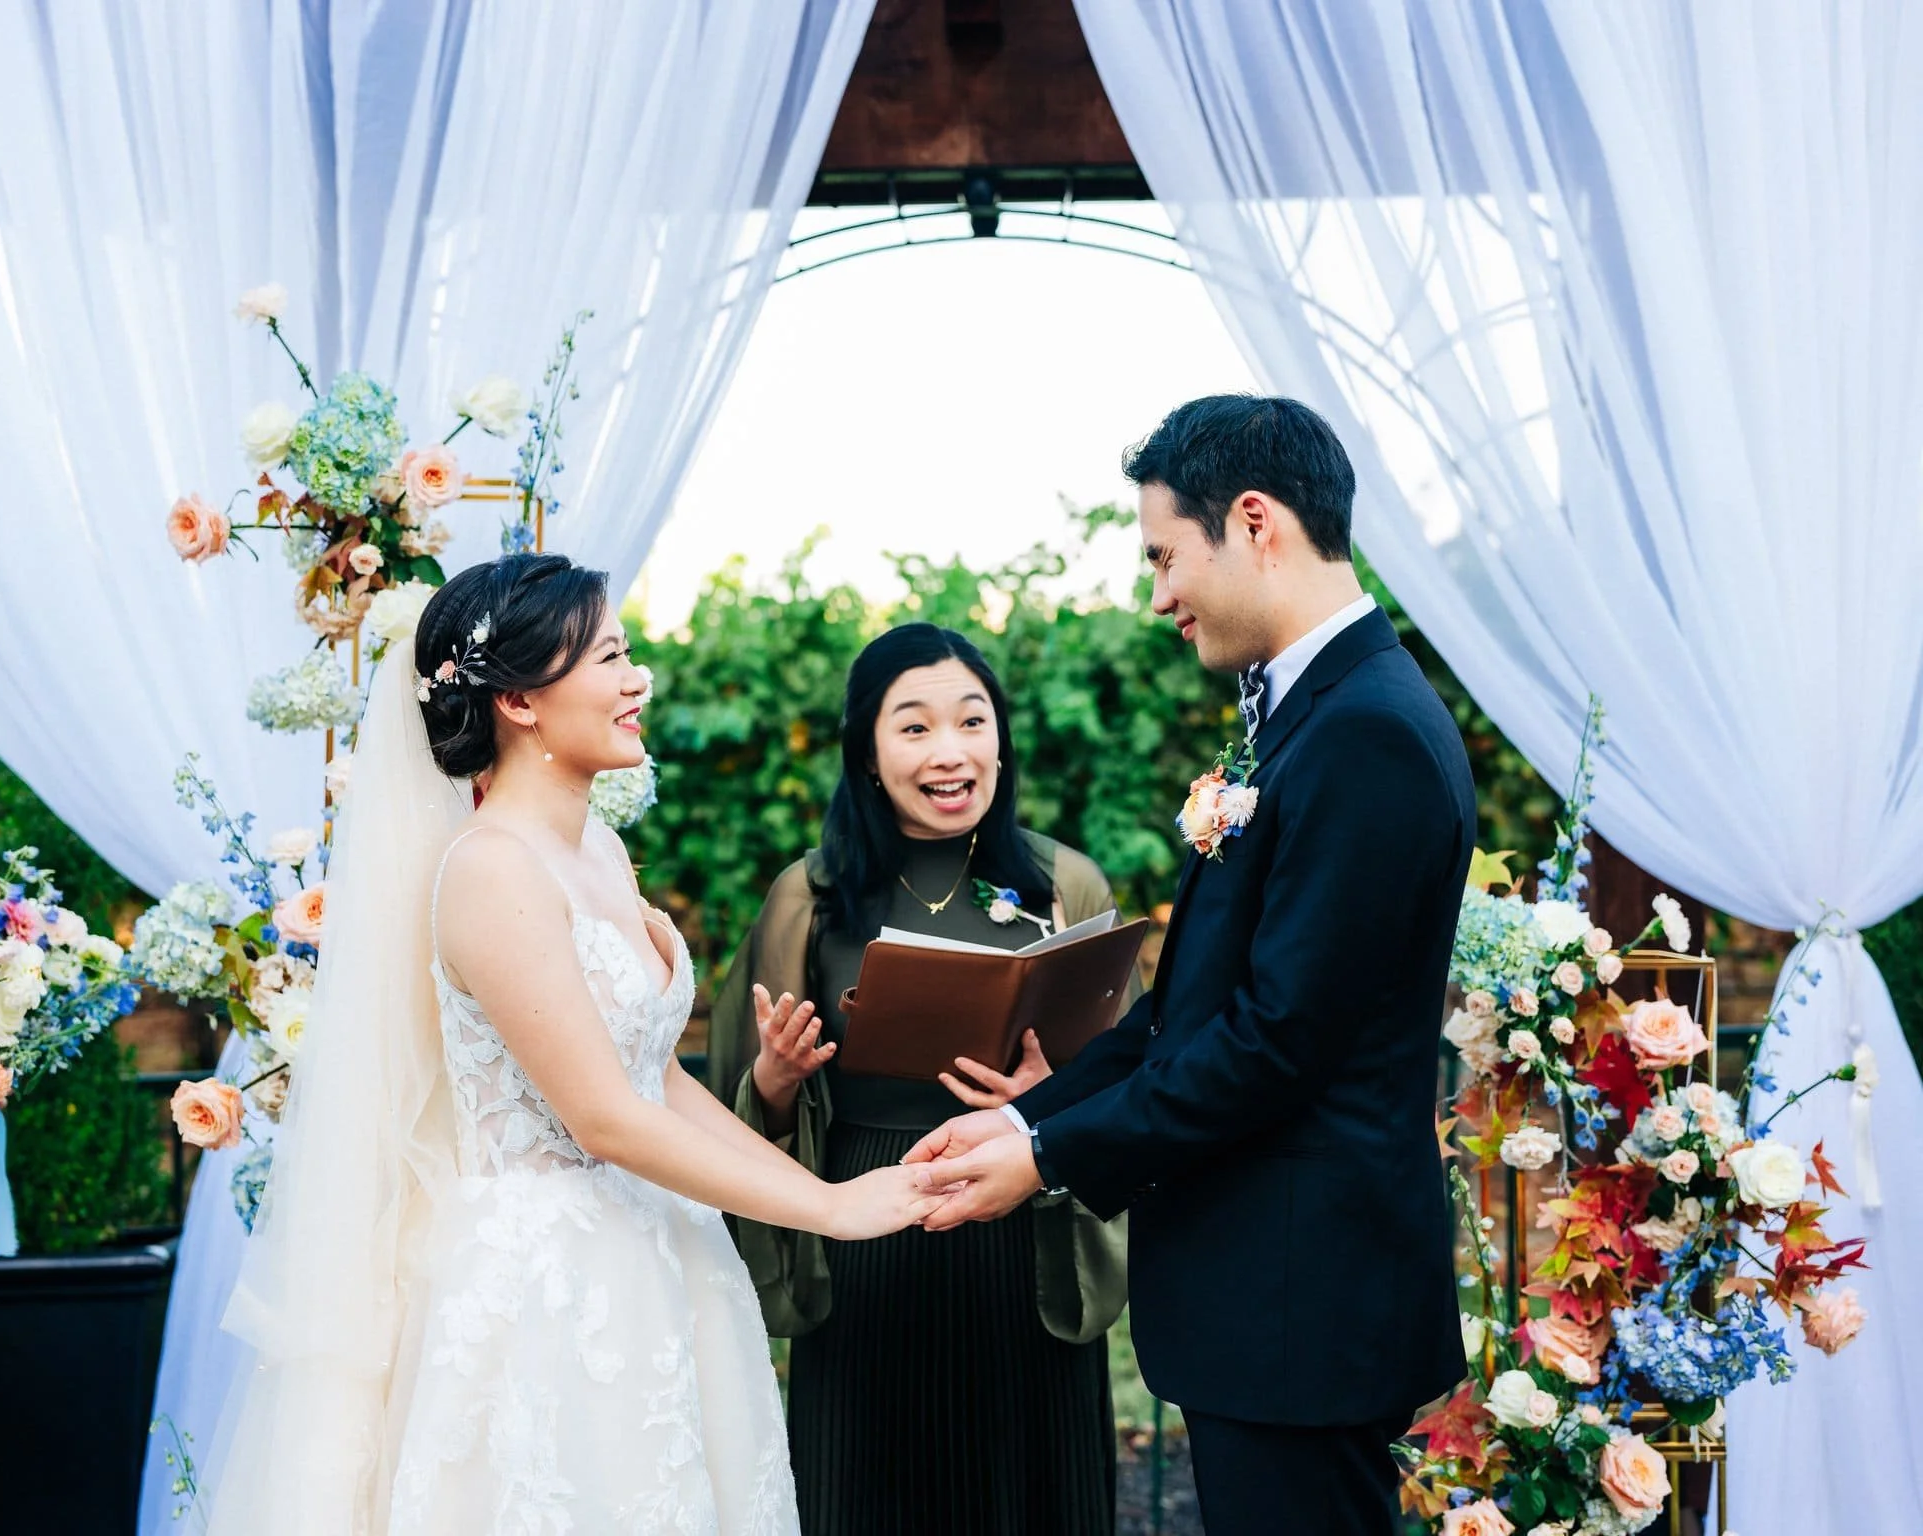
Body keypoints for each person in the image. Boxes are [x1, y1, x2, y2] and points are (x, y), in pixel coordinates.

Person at [207, 554, 941, 1535]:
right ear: (518, 698)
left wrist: (803, 1187)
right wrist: (832, 1209)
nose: (636, 680)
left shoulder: (595, 847)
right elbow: (599, 1117)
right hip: (551, 1294)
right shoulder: (490, 872)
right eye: (608, 656)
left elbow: (652, 1080)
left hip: (659, 1259)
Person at [907, 396, 1474, 1536]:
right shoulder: (1307, 713)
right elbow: (1192, 1008)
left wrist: (1049, 1155)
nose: (1158, 595)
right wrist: (1029, 1121)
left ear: (1253, 522)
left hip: (1299, 1304)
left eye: (1165, 554)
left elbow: (1274, 1044)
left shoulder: (1362, 732)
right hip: (1271, 1301)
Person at [708, 622, 1131, 1536]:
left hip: (1021, 1235)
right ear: (866, 750)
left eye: (972, 722)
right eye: (914, 727)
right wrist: (778, 1082)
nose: (950, 753)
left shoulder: (1068, 885)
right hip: (866, 1229)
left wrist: (1045, 1104)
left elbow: (1128, 1083)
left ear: (1000, 739)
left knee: (1030, 1496)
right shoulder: (808, 896)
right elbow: (732, 1115)